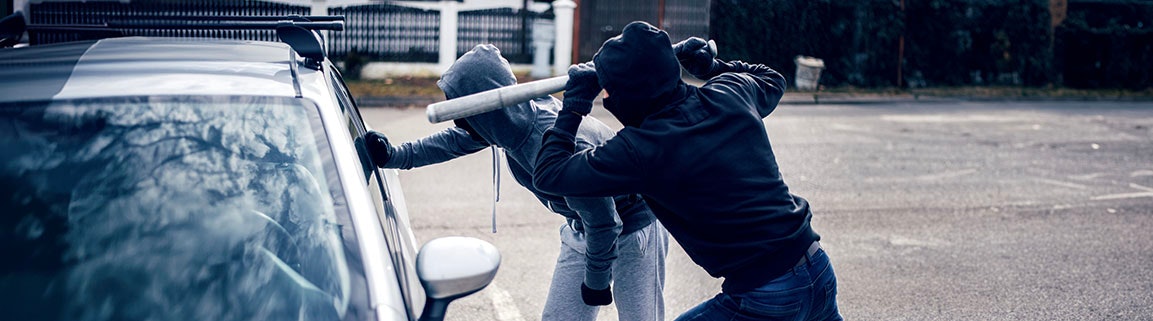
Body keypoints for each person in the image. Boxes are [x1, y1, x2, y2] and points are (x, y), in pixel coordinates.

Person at [533, 21, 842, 321]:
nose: (608, 100)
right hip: (817, 267)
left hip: (765, 295)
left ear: (629, 96)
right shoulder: (731, 93)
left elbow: (549, 174)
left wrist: (573, 107)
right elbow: (773, 79)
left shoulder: (641, 149)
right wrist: (711, 67)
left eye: (609, 93)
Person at [363, 44, 669, 321]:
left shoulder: (552, 143)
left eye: (464, 115)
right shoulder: (507, 123)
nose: (461, 125)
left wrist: (597, 280)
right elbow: (453, 141)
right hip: (583, 228)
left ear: (488, 113)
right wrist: (395, 155)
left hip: (632, 226)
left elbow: (605, 221)